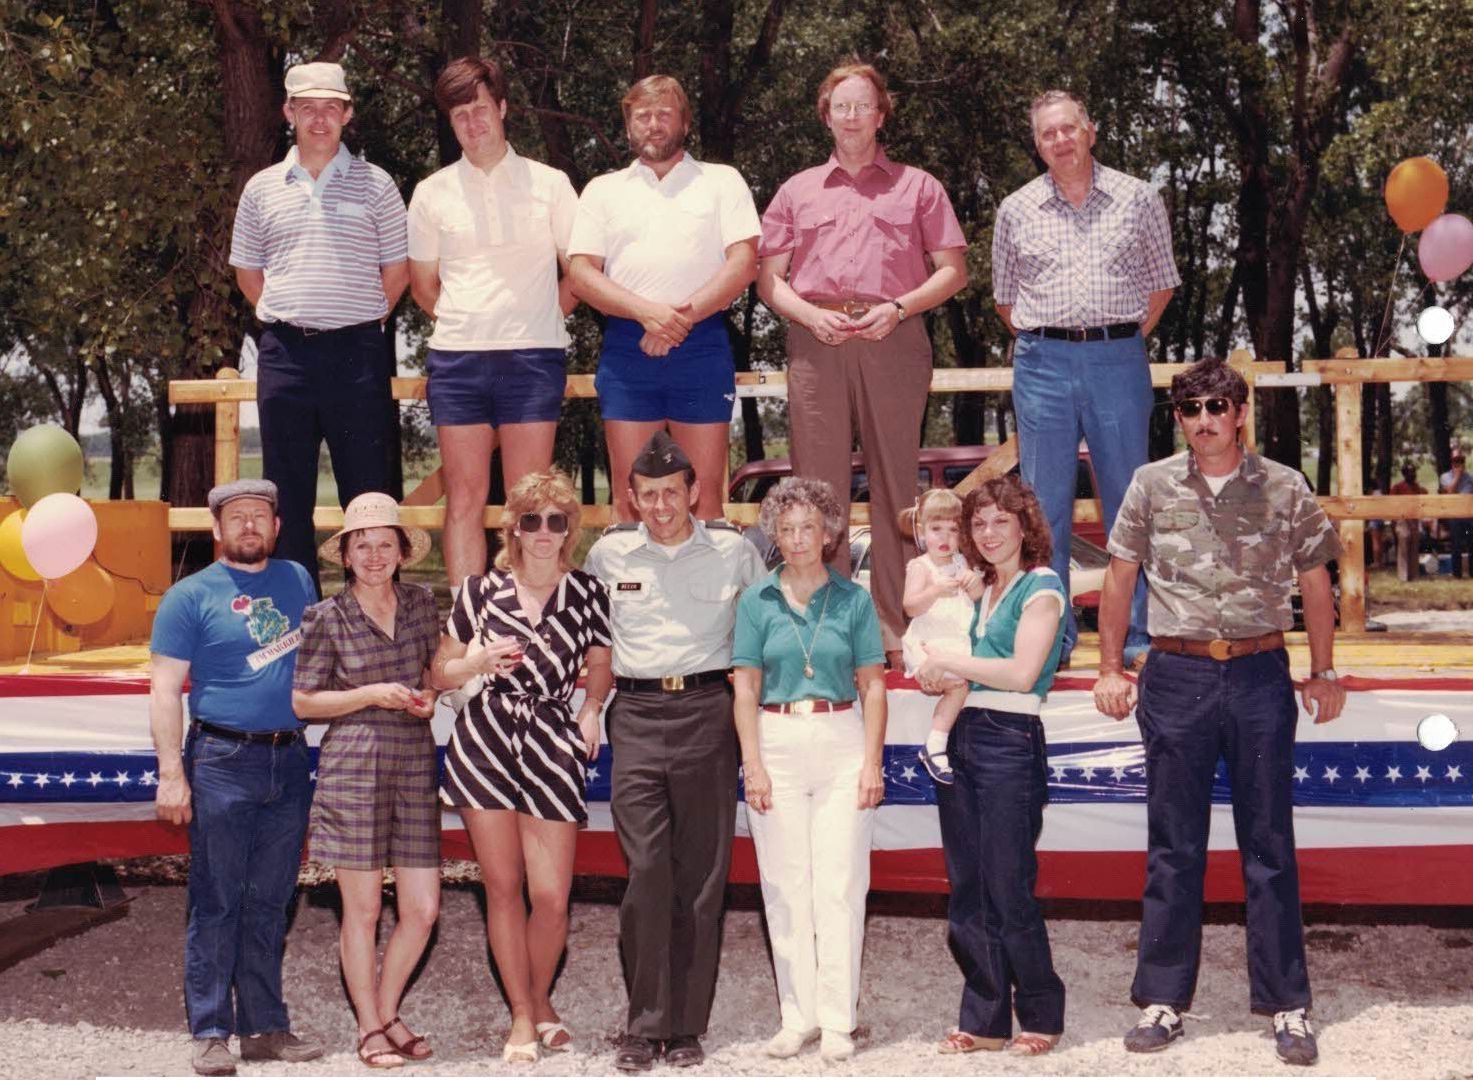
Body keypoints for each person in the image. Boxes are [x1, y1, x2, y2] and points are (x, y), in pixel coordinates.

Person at [1092, 358, 1346, 1067]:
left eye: (1217, 405)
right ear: (1178, 417)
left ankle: (1286, 1005)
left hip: (1260, 674)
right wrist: (1110, 667)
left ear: (1239, 413)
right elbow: (1118, 580)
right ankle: (1163, 999)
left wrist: (1321, 670)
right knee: (1174, 847)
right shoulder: (1149, 486)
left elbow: (1314, 582)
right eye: (1190, 407)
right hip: (1175, 676)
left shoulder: (1284, 486)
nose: (1203, 418)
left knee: (1268, 845)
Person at [758, 59, 968, 666]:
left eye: (863, 106)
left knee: (896, 484)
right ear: (826, 116)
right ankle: (825, 624)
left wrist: (899, 308)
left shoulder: (919, 186)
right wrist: (807, 314)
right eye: (841, 106)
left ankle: (898, 626)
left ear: (881, 114)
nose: (852, 117)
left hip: (893, 336)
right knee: (817, 489)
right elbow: (770, 280)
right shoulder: (796, 190)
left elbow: (954, 271)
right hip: (815, 339)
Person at [583, 431, 764, 1072]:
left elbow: (765, 630)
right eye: (649, 494)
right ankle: (643, 1024)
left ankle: (686, 1026)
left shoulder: (735, 553)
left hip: (707, 713)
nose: (661, 506)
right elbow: (589, 642)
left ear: (694, 492)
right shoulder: (608, 556)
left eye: (672, 493)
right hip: (633, 713)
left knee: (701, 879)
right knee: (647, 871)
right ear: (632, 498)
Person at [992, 88, 1180, 667]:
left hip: (1116, 358)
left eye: (1069, 128)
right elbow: (1005, 299)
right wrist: (1054, 339)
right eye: (1048, 133)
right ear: (1037, 144)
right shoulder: (1015, 209)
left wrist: (1113, 338)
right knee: (1042, 505)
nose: (1061, 140)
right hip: (1042, 363)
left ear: (1091, 131)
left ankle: (1139, 635)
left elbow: (1161, 284)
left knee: (1129, 500)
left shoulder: (1139, 197)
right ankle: (1052, 638)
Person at [429, 470, 613, 1063]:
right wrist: (476, 660)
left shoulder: (588, 592)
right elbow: (440, 673)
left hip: (554, 737)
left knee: (553, 895)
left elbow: (602, 664)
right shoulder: (478, 592)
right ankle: (522, 1016)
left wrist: (591, 707)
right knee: (503, 888)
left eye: (555, 521)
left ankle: (537, 1001)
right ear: (513, 528)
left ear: (569, 531)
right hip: (485, 737)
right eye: (530, 520)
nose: (542, 532)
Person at [149, 479, 322, 1077]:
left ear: (276, 526)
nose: (249, 526)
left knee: (271, 899)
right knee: (217, 898)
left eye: (260, 516)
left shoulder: (299, 580)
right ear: (217, 529)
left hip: (289, 760)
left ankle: (264, 1025)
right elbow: (165, 689)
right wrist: (172, 772)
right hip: (221, 761)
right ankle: (211, 1029)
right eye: (236, 517)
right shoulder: (187, 597)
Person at [230, 62, 409, 593]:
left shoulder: (377, 186)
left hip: (358, 355)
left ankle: (374, 616)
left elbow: (396, 273)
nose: (320, 118)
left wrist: (349, 322)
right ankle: (298, 614)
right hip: (285, 355)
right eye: (307, 107)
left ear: (348, 114)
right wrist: (296, 316)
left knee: (369, 494)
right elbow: (248, 273)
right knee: (288, 492)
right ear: (289, 112)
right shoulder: (261, 189)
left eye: (331, 107)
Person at [731, 477, 887, 1063]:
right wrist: (753, 764)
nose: (798, 538)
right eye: (787, 528)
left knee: (841, 883)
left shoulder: (854, 600)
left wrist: (871, 760)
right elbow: (744, 688)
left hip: (842, 738)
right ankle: (795, 1017)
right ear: (774, 534)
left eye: (809, 528)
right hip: (776, 739)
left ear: (828, 536)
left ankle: (838, 1019)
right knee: (784, 884)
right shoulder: (755, 601)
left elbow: (873, 687)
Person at [408, 57, 579, 587]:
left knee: (530, 502)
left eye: (480, 109)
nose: (473, 123)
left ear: (502, 108)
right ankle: (466, 628)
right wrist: (470, 321)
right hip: (458, 361)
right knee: (463, 497)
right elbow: (423, 287)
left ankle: (533, 619)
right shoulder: (431, 192)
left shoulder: (551, 184)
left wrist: (538, 314)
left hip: (533, 357)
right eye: (460, 115)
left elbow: (580, 274)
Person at [915, 475, 1068, 1057]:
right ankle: (983, 1017)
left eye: (1002, 520)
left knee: (1008, 883)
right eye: (978, 523)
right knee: (968, 884)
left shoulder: (1042, 587)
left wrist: (951, 660)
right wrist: (939, 670)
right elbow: (958, 661)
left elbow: (1023, 672)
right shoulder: (978, 590)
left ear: (1025, 525)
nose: (989, 532)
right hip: (965, 735)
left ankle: (1041, 1012)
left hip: (1011, 736)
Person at [290, 493, 440, 1068]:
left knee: (423, 907)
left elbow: (433, 675)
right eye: (362, 545)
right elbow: (303, 702)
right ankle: (371, 1027)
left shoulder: (424, 604)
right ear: (346, 556)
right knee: (365, 910)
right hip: (352, 765)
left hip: (412, 762)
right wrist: (371, 695)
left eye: (385, 545)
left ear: (401, 553)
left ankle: (385, 1008)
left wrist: (428, 699)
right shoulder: (324, 618)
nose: (374, 555)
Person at [568, 74, 760, 522]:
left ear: (685, 123)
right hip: (627, 349)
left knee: (705, 491)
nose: (653, 124)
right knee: (631, 492)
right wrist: (647, 314)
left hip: (702, 345)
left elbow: (744, 264)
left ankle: (710, 595)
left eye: (664, 114)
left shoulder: (722, 181)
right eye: (642, 116)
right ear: (629, 125)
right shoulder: (603, 190)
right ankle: (632, 594)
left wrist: (678, 320)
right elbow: (579, 273)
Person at [900, 487, 984, 784]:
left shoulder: (963, 563)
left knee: (966, 684)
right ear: (921, 532)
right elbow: (910, 606)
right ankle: (935, 744)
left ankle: (948, 746)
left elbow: (978, 599)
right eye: (936, 529)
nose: (945, 538)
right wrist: (935, 590)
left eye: (953, 530)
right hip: (928, 644)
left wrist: (974, 585)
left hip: (957, 644)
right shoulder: (920, 567)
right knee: (958, 686)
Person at [1438, 450, 1473, 578]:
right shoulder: (1445, 477)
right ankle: (1457, 574)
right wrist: (1458, 476)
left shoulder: (1470, 477)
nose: (1459, 463)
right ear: (1452, 462)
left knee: (1472, 544)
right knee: (1456, 545)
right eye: (1456, 461)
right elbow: (1450, 491)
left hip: (1469, 516)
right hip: (1454, 516)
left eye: (1461, 461)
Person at [1389, 461, 1427, 578]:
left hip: (1415, 519)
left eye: (1414, 472)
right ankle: (1403, 576)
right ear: (1405, 474)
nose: (1413, 474)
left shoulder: (1417, 487)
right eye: (1410, 472)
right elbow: (1392, 505)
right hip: (1402, 520)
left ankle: (1414, 574)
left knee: (1414, 547)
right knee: (1404, 546)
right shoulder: (1397, 488)